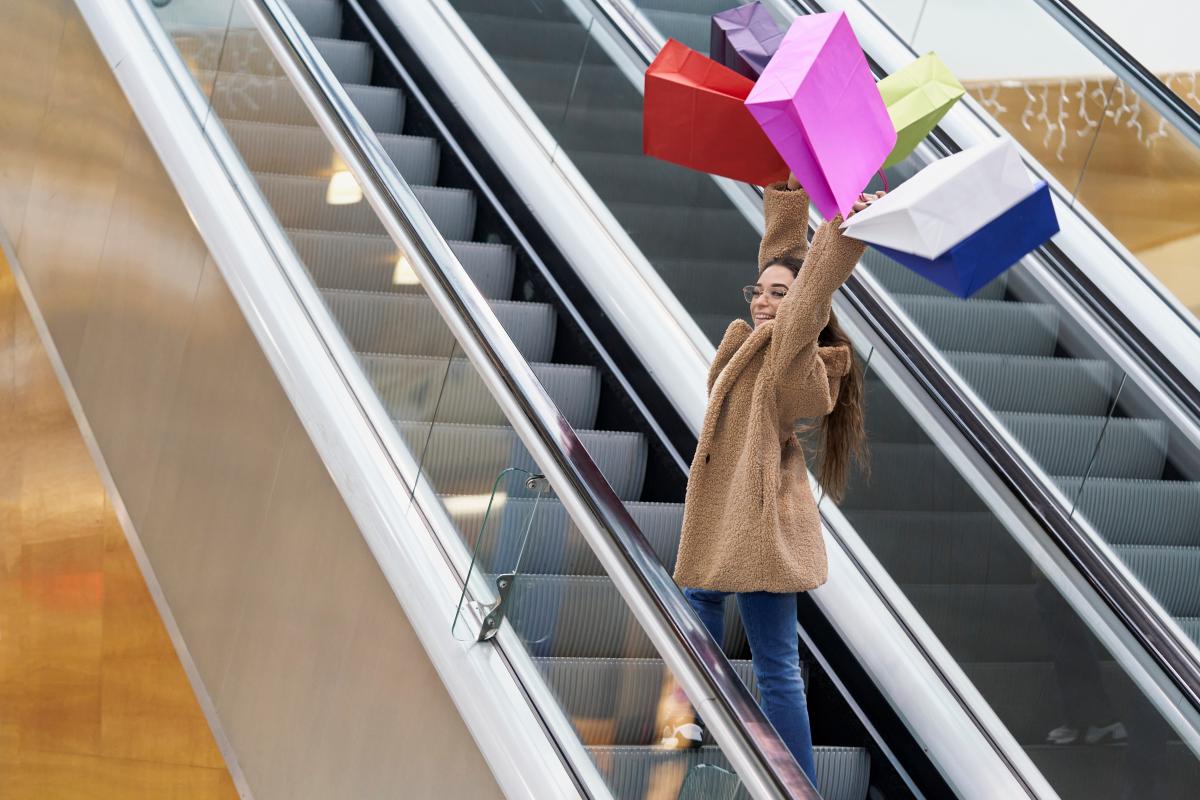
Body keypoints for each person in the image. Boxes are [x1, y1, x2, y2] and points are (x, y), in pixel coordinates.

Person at [664, 175, 877, 789]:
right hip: (724, 518)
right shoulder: (759, 342)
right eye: (757, 291)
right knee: (697, 611)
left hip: (756, 525)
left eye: (775, 296)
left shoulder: (790, 359)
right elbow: (783, 266)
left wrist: (842, 232)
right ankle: (690, 722)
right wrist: (789, 189)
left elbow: (807, 296)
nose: (761, 300)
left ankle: (795, 783)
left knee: (778, 668)